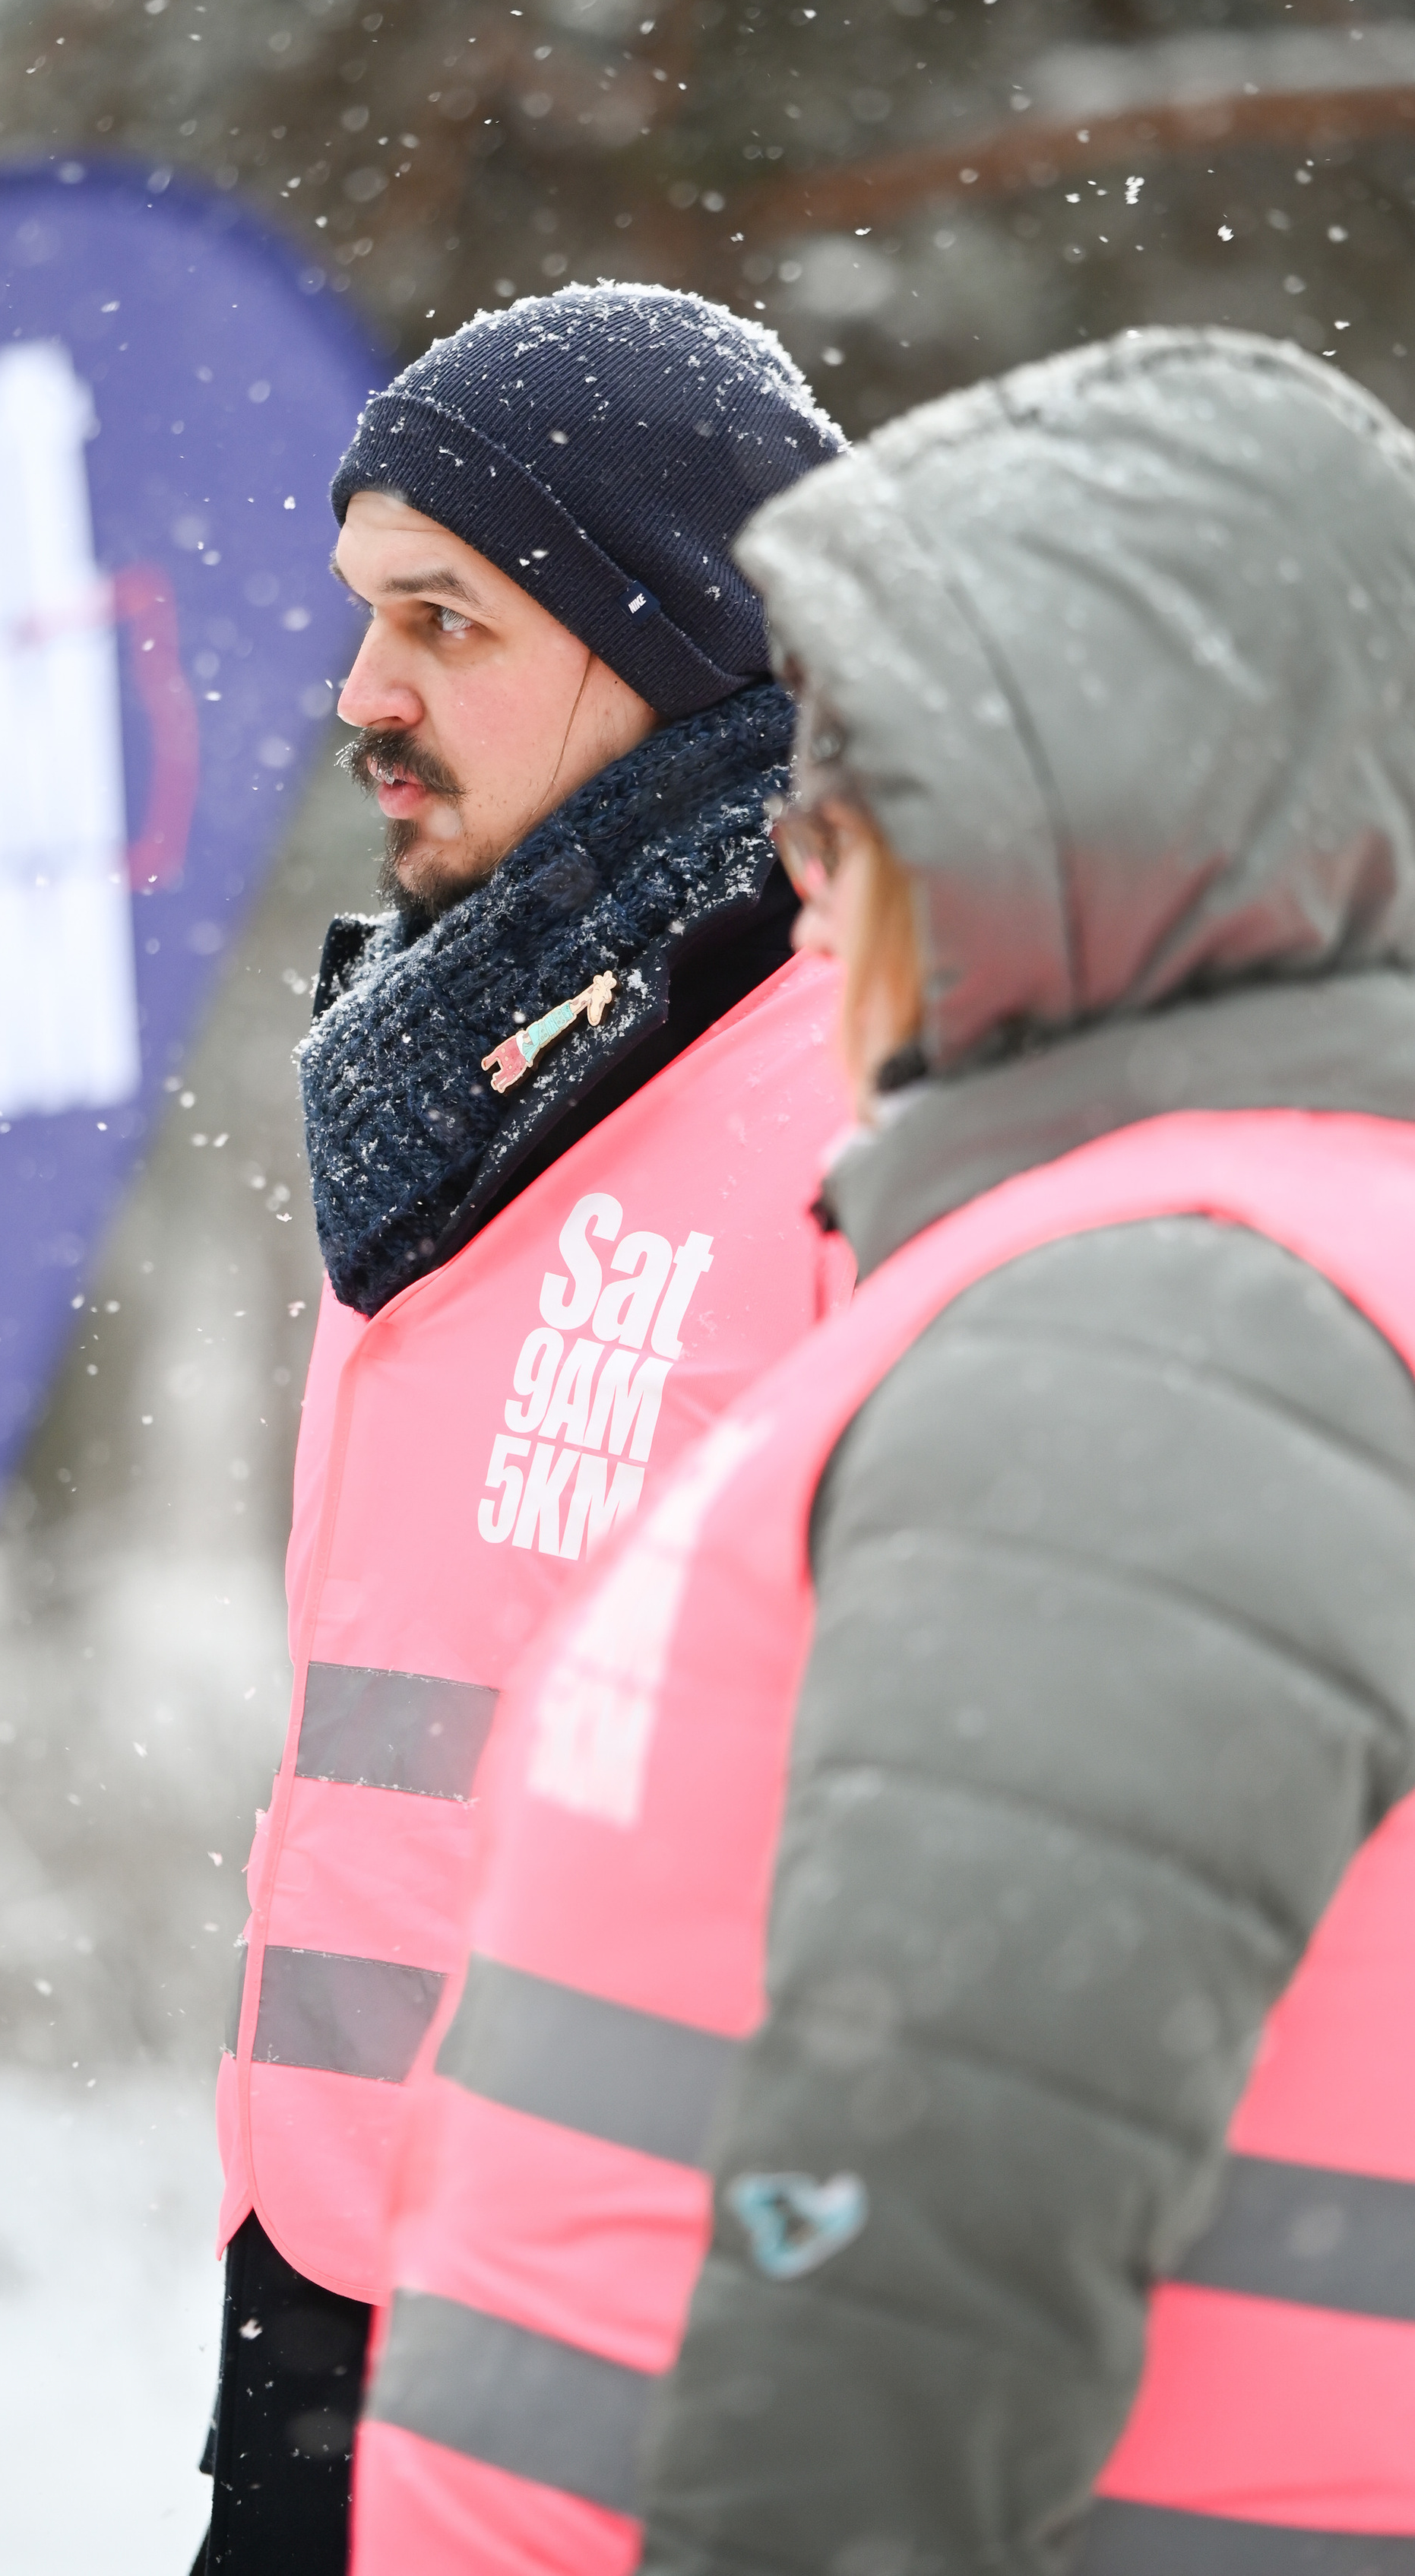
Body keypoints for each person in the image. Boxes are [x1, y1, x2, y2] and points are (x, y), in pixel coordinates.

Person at [353, 325, 1415, 2575]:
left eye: (870, 787)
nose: (798, 859)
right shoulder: (1189, 1258)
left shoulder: (1159, 1336)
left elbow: (926, 2258)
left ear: (1099, 815)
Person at [195, 284, 852, 2571]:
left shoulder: (866, 1107)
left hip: (646, 2400)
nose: (363, 694)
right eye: (365, 617)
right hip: (326, 2309)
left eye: (442, 623)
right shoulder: (489, 1092)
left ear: (662, 642)